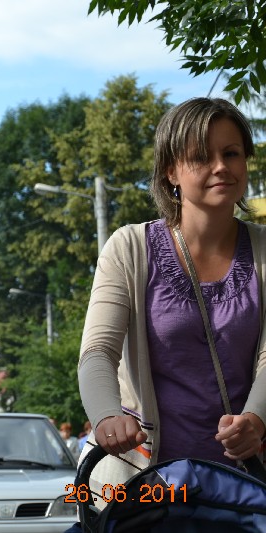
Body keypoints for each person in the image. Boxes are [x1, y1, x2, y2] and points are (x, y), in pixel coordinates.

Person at [77, 97, 266, 498]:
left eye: (231, 153)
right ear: (170, 171)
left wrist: (256, 419)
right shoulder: (128, 247)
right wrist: (107, 416)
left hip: (247, 489)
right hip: (145, 487)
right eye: (201, 157)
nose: (221, 166)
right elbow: (97, 352)